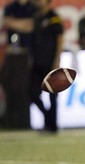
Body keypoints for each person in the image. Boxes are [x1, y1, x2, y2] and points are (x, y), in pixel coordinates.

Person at [5, 0, 64, 133]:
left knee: (52, 96)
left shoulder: (53, 18)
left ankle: (52, 126)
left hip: (50, 62)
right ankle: (48, 118)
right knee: (32, 94)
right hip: (37, 62)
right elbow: (30, 32)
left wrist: (57, 60)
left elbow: (60, 39)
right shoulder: (36, 17)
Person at [0, 0, 36, 129]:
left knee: (22, 88)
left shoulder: (32, 7)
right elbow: (7, 22)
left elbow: (31, 26)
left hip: (25, 53)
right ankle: (10, 121)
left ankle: (23, 123)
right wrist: (23, 24)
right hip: (11, 53)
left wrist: (14, 23)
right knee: (8, 84)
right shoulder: (11, 7)